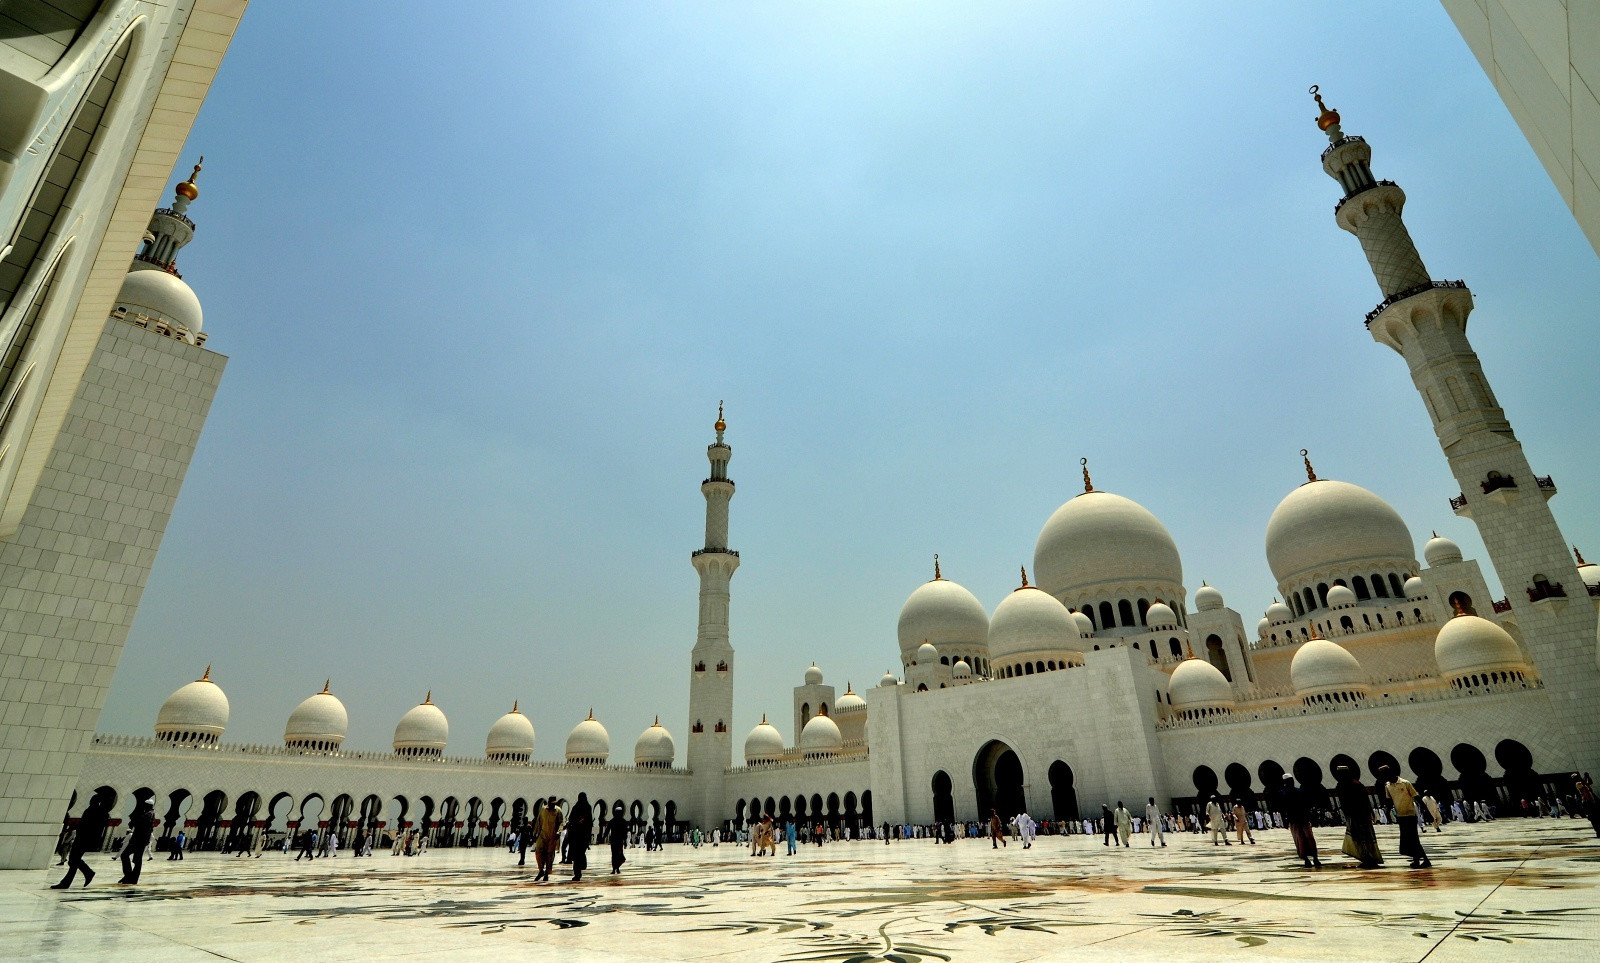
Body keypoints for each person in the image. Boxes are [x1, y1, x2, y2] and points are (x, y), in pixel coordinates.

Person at [53, 794, 110, 889]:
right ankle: (69, 881)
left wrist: (73, 828)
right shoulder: (100, 812)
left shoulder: (93, 811)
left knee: (73, 860)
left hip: (83, 839)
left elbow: (86, 825)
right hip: (85, 839)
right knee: (74, 861)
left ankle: (88, 873)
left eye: (92, 799)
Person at [1382, 768, 1432, 869]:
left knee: (1414, 839)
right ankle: (1417, 861)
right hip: (1401, 816)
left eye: (1386, 775)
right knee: (1409, 840)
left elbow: (1417, 797)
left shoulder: (1405, 783)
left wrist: (1427, 812)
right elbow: (1389, 801)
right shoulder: (1388, 786)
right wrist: (1387, 813)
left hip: (1410, 815)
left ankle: (1424, 860)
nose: (1385, 777)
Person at [1334, 765, 1382, 868]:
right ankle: (1367, 858)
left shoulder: (1348, 785)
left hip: (1358, 815)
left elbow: (1361, 800)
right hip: (1359, 815)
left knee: (1362, 837)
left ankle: (1368, 858)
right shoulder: (1354, 784)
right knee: (1362, 837)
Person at [1277, 775, 1321, 869]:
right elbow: (1282, 808)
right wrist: (1284, 820)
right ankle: (1307, 859)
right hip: (1295, 819)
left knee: (1308, 838)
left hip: (1302, 818)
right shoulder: (1283, 793)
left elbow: (1306, 804)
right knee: (1301, 839)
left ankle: (1314, 857)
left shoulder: (1298, 791)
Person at [119, 793, 157, 884]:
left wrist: (134, 822)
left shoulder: (149, 814)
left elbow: (142, 826)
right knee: (135, 859)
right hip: (139, 840)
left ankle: (130, 877)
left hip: (139, 840)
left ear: (149, 806)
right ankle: (130, 877)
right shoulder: (147, 813)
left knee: (127, 856)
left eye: (145, 805)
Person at [534, 798, 562, 882]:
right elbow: (539, 821)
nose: (553, 805)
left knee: (550, 856)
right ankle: (541, 870)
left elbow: (561, 822)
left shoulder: (558, 810)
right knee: (538, 852)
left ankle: (546, 873)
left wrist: (559, 832)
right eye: (551, 803)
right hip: (542, 835)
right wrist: (535, 833)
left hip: (552, 836)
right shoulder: (543, 809)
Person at [567, 793, 593, 882]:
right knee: (580, 853)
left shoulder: (576, 807)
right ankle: (579, 870)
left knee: (577, 855)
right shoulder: (587, 807)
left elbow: (571, 819)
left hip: (576, 836)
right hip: (583, 836)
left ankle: (577, 873)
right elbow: (590, 823)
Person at [608, 802, 628, 874]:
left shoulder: (612, 821)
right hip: (619, 841)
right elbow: (625, 832)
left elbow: (607, 830)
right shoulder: (623, 821)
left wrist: (603, 837)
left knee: (614, 855)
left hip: (614, 840)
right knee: (619, 854)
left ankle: (614, 869)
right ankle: (617, 868)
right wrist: (625, 841)